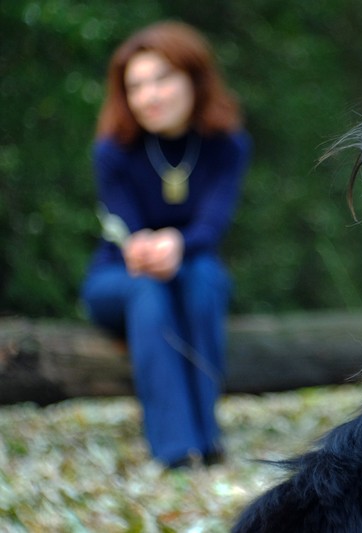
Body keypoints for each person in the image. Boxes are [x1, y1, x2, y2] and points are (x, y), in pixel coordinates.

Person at [81, 21, 250, 469]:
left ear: (193, 79)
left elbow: (211, 226)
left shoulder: (226, 146)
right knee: (148, 290)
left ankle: (207, 438)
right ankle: (175, 450)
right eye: (135, 86)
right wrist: (144, 249)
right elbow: (126, 232)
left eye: (161, 79)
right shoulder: (113, 150)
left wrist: (178, 243)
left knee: (205, 279)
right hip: (118, 276)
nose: (148, 97)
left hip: (193, 266)